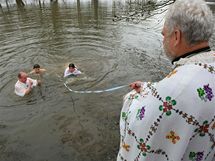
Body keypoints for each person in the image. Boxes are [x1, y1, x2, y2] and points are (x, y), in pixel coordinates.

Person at [117, 0, 215, 161]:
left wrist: (132, 98)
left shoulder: (173, 94)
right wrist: (149, 88)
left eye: (164, 34)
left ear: (176, 36)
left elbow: (142, 128)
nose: (163, 40)